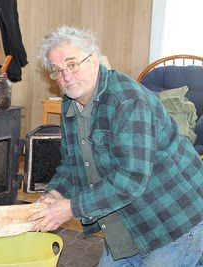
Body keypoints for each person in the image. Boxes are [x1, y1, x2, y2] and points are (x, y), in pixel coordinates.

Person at [28, 25, 203, 266]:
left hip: (172, 219)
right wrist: (55, 194)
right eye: (57, 70)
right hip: (125, 222)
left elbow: (131, 178)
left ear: (94, 61)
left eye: (72, 64)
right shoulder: (70, 105)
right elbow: (72, 164)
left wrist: (70, 208)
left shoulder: (128, 101)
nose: (65, 76)